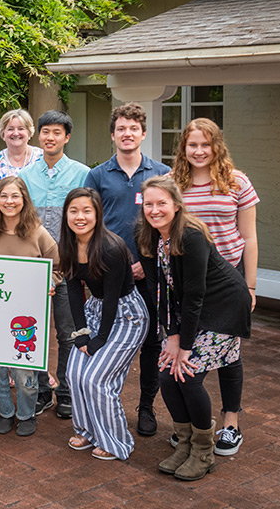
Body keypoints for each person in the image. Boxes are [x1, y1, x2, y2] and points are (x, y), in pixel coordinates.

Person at [136, 176, 251, 480]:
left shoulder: (191, 235)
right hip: (189, 312)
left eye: (162, 203)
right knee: (166, 374)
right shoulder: (146, 236)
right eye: (149, 204)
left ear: (176, 205)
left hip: (223, 307)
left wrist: (183, 346)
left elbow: (195, 294)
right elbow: (157, 290)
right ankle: (185, 443)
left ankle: (202, 452)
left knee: (185, 375)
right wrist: (170, 336)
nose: (155, 210)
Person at [169, 118, 259, 456]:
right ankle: (193, 422)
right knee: (191, 347)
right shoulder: (172, 183)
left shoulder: (236, 182)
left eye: (205, 145)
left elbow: (249, 237)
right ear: (184, 148)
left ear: (216, 146)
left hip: (228, 279)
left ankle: (230, 421)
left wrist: (250, 286)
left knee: (229, 352)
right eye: (192, 145)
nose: (199, 151)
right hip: (187, 280)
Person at [84, 103, 171, 437]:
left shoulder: (160, 174)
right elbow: (90, 223)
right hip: (108, 276)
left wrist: (144, 264)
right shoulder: (98, 175)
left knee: (150, 345)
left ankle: (146, 407)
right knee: (109, 342)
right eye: (121, 128)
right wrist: (117, 265)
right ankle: (109, 400)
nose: (127, 134)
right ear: (113, 134)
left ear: (143, 134)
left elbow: (168, 224)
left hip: (151, 276)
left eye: (133, 128)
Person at [60, 187, 149, 461]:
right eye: (73, 211)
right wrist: (82, 333)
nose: (80, 217)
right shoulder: (68, 245)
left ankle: (116, 441)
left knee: (96, 378)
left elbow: (112, 298)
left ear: (98, 214)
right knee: (74, 374)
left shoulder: (110, 247)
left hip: (126, 315)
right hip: (95, 311)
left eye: (87, 210)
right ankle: (87, 430)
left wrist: (99, 339)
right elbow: (75, 290)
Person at [0, 177, 60, 437]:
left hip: (27, 317)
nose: (9, 201)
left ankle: (26, 413)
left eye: (15, 196)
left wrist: (50, 283)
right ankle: (5, 412)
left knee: (25, 373)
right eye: (4, 196)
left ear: (24, 200)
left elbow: (57, 269)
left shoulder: (39, 234)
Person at [20, 110, 90, 420]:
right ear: (38, 135)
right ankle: (40, 391)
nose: (50, 137)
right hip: (32, 268)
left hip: (68, 268)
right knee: (30, 333)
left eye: (57, 132)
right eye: (45, 131)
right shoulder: (24, 175)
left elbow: (87, 219)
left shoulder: (82, 174)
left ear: (67, 137)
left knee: (67, 332)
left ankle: (64, 391)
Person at [0, 109, 43, 179]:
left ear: (29, 132)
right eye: (10, 129)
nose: (15, 133)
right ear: (3, 133)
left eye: (21, 128)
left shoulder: (42, 157)